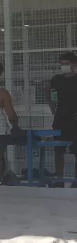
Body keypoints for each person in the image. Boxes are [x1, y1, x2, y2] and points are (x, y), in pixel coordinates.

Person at [48, 51, 77, 182]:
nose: (64, 66)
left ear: (74, 64)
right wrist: (52, 106)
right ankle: (59, 180)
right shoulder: (56, 79)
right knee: (59, 151)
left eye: (66, 64)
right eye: (62, 64)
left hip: (75, 122)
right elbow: (48, 91)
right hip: (60, 120)